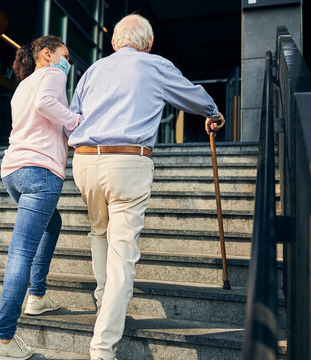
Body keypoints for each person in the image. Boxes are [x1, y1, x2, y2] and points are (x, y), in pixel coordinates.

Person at [68, 14, 225, 360]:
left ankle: (104, 301)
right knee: (123, 253)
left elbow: (73, 116)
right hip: (128, 160)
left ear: (113, 43)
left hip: (83, 159)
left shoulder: (93, 70)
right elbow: (192, 97)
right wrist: (213, 111)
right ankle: (103, 346)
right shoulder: (154, 65)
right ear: (149, 43)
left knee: (98, 232)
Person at [0, 35, 80, 360]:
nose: (68, 61)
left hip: (12, 170)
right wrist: (76, 122)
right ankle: (3, 338)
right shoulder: (54, 73)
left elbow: (38, 123)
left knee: (53, 224)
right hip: (40, 173)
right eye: (65, 55)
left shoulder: (23, 85)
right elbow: (47, 107)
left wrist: (65, 134)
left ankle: (37, 295)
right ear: (47, 53)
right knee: (22, 250)